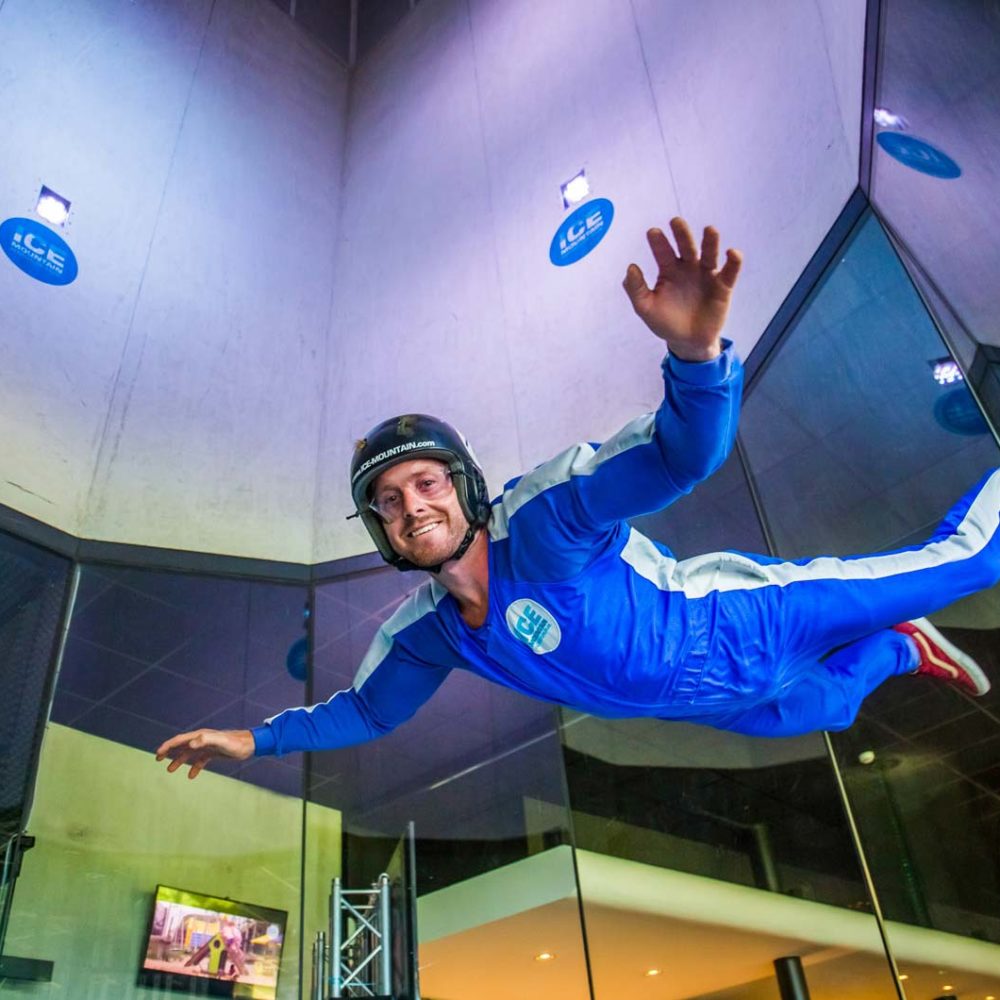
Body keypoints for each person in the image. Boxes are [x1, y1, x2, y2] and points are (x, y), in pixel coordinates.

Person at [157, 218, 996, 779]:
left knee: (971, 561)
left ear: (463, 486)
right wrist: (254, 740)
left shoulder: (545, 517)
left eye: (426, 482)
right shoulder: (425, 633)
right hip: (725, 704)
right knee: (832, 705)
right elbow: (367, 714)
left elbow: (679, 457)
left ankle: (909, 613)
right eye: (387, 501)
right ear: (380, 530)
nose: (411, 506)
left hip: (750, 622)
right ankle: (900, 648)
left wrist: (697, 356)